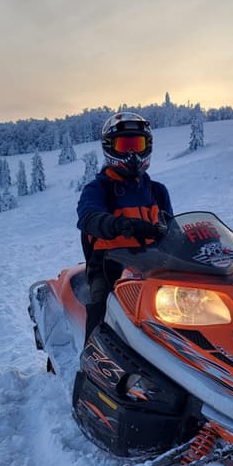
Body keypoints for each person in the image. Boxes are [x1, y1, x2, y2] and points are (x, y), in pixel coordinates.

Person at [76, 112, 173, 344]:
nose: (132, 153)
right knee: (101, 306)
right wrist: (118, 224)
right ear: (111, 148)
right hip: (110, 266)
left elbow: (173, 228)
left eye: (137, 145)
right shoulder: (99, 188)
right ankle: (92, 366)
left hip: (152, 266)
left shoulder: (157, 191)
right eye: (125, 145)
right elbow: (87, 217)